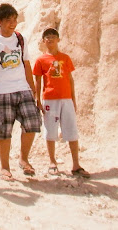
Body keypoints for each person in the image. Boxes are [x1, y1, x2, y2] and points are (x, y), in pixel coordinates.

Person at [0, 3, 41, 180]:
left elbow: (26, 64)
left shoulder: (20, 39)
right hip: (1, 92)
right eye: (8, 20)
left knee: (32, 123)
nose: (13, 23)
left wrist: (33, 89)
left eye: (14, 20)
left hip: (22, 88)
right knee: (3, 130)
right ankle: (4, 167)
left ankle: (24, 159)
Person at [33, 27, 89, 178]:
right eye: (47, 37)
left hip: (66, 99)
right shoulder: (40, 60)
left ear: (58, 39)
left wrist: (73, 99)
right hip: (50, 99)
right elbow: (38, 80)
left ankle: (76, 165)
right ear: (43, 41)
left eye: (53, 36)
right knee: (50, 130)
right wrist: (37, 99)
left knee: (71, 130)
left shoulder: (65, 58)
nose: (50, 39)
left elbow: (70, 79)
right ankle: (52, 162)